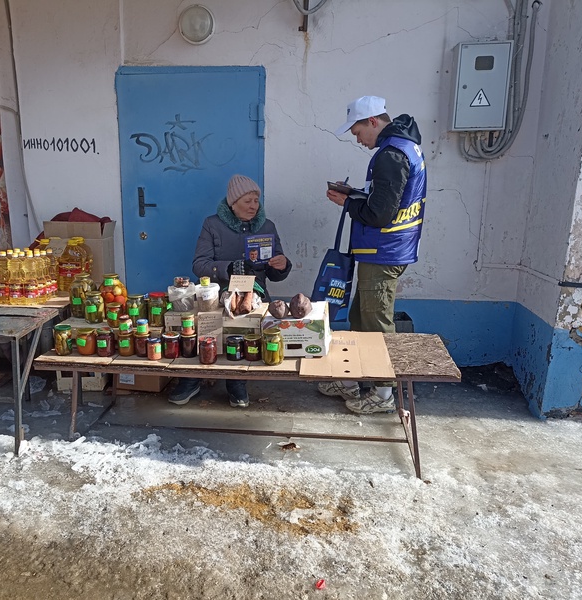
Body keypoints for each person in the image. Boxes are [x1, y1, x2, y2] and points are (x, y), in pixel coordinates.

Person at [318, 96, 427, 414]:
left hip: (385, 251)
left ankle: (382, 393)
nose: (358, 139)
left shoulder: (391, 155)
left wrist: (348, 203)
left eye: (357, 132)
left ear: (373, 122)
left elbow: (380, 214)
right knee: (360, 317)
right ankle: (351, 379)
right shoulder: (402, 148)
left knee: (377, 322)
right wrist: (357, 196)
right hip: (384, 250)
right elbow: (388, 201)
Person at [169, 174, 292, 408]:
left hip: (253, 293)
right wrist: (228, 267)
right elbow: (199, 264)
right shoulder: (212, 224)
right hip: (216, 292)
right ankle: (191, 378)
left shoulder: (267, 227)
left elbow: (275, 274)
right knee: (202, 329)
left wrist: (283, 265)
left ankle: (236, 380)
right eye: (247, 201)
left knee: (243, 332)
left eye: (256, 200)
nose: (253, 206)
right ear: (232, 203)